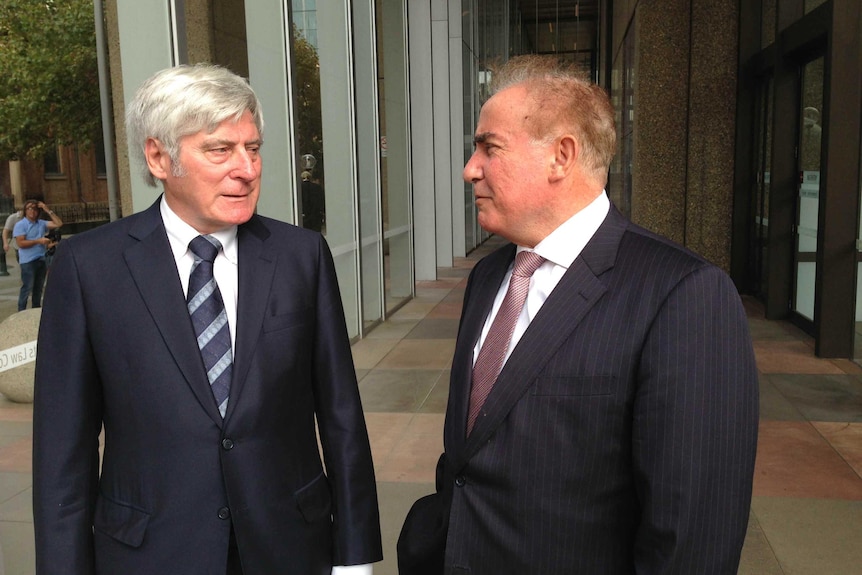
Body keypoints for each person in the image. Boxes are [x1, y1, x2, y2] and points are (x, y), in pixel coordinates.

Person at [398, 55, 759, 574]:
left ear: (561, 156)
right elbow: (469, 453)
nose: (470, 168)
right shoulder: (486, 278)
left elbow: (691, 538)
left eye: (489, 147)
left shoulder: (683, 296)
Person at [33, 64, 382, 575]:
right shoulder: (89, 267)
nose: (246, 168)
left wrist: (354, 556)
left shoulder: (300, 255)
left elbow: (341, 416)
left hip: (289, 545)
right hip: (150, 553)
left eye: (253, 148)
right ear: (158, 157)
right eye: (220, 150)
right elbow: (63, 448)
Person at [13, 199, 62, 311]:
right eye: (29, 208)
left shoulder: (41, 223)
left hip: (41, 258)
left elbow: (59, 223)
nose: (32, 211)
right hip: (28, 261)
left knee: (38, 287)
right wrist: (38, 241)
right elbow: (21, 243)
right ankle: (21, 310)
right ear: (25, 211)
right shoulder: (21, 225)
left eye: (35, 208)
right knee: (27, 286)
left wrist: (46, 209)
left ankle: (36, 309)